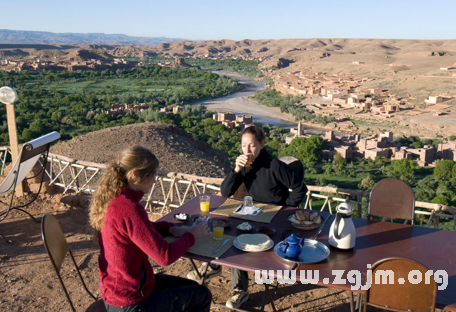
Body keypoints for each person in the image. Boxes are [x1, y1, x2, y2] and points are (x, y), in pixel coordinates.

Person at [187, 125, 308, 309]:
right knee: (218, 224)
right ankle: (214, 266)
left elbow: (300, 188)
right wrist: (236, 169)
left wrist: (284, 210)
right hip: (251, 214)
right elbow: (225, 191)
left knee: (239, 240)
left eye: (251, 145)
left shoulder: (274, 165)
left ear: (261, 144)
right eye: (244, 146)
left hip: (272, 219)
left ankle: (240, 290)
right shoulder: (245, 165)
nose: (247, 150)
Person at [89, 146, 212, 312]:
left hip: (120, 289)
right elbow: (164, 257)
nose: (155, 180)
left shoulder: (116, 198)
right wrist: (192, 235)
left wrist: (170, 229)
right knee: (202, 295)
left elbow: (138, 229)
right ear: (135, 175)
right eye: (152, 174)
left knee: (191, 286)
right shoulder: (128, 208)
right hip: (130, 301)